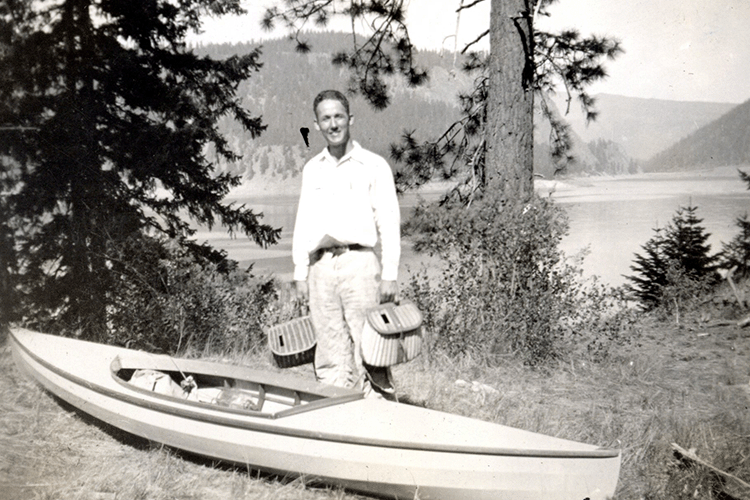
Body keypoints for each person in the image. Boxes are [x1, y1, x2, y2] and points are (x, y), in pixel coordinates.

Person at [292, 89, 400, 397]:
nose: (333, 124)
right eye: (325, 118)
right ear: (316, 125)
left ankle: (379, 420)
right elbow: (304, 222)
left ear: (350, 119)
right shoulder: (313, 168)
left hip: (360, 265)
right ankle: (337, 421)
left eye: (338, 116)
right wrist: (301, 272)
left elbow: (388, 221)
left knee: (371, 349)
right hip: (321, 268)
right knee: (328, 350)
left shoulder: (373, 165)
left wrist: (390, 272)